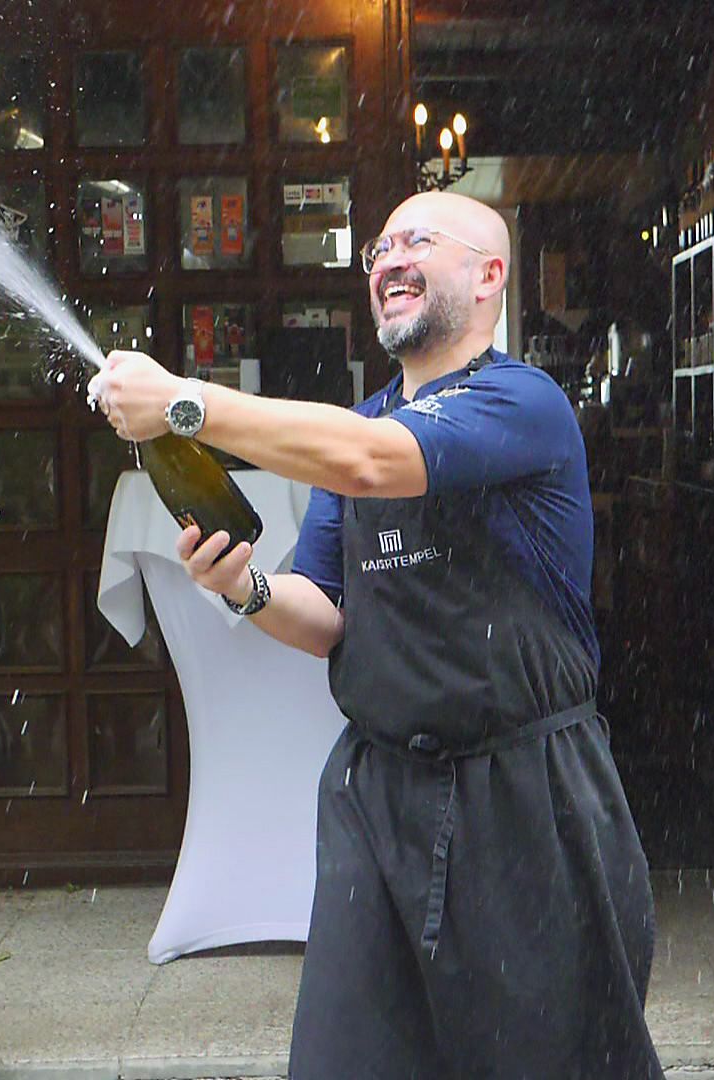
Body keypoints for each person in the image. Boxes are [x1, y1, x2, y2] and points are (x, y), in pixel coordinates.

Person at [88, 190, 663, 1079]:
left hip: (525, 800)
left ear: (488, 277)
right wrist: (245, 587)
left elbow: (374, 461)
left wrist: (183, 402)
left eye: (417, 241)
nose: (389, 258)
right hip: (379, 798)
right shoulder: (361, 428)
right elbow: (324, 618)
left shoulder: (522, 403)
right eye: (379, 248)